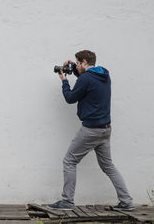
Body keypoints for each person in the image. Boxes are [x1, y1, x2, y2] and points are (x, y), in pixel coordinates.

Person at [48, 50, 134, 211]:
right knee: (108, 166)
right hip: (105, 129)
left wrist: (64, 80)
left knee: (69, 161)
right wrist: (73, 67)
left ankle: (66, 201)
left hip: (91, 130)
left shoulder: (86, 79)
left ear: (85, 62)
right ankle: (127, 201)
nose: (77, 66)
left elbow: (70, 98)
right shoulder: (104, 75)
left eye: (78, 63)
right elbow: (85, 79)